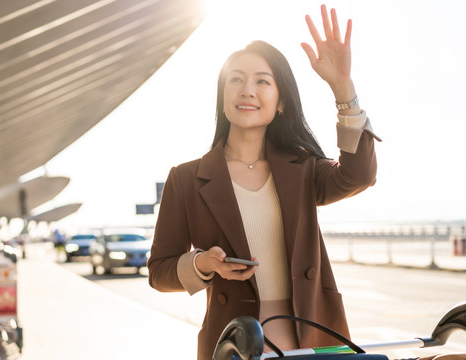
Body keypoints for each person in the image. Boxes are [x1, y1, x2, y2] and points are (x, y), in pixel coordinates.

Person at [148, 5, 380, 360]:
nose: (248, 90)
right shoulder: (186, 178)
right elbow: (159, 272)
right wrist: (202, 264)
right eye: (236, 79)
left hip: (312, 336)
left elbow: (358, 175)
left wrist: (342, 88)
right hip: (235, 342)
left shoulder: (302, 168)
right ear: (223, 96)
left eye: (262, 81)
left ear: (281, 101)